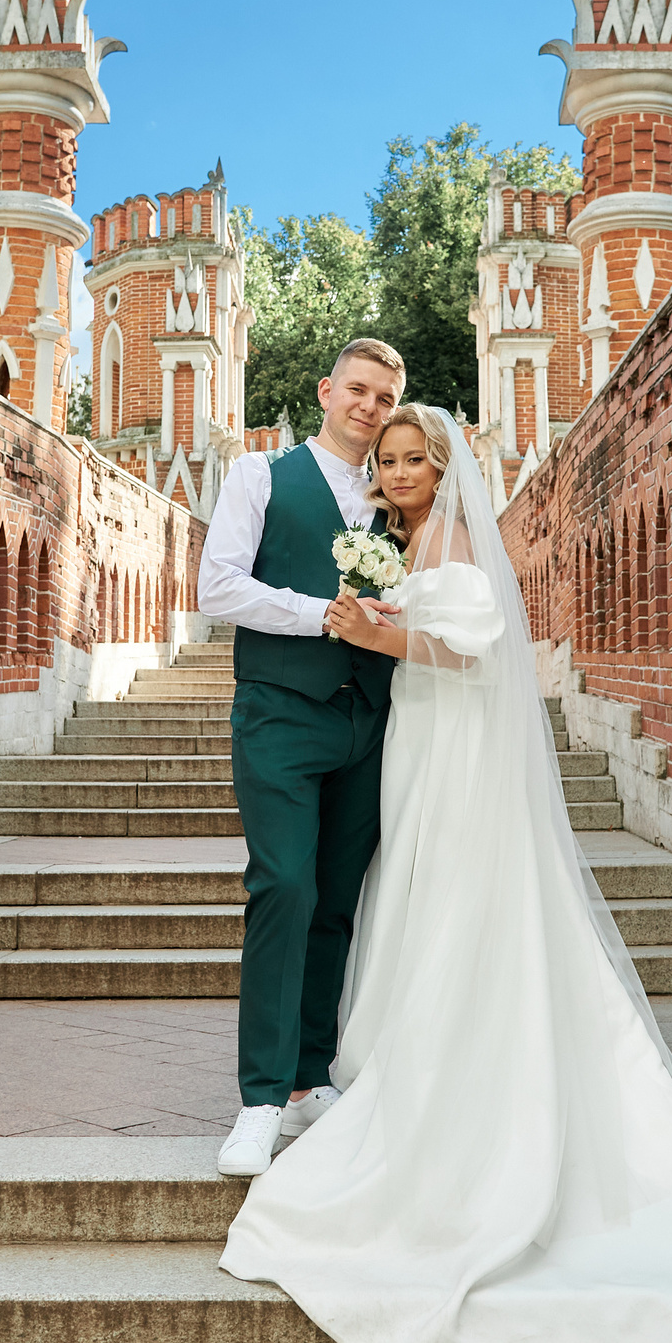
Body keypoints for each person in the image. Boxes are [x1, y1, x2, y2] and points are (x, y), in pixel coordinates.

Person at [218, 405, 672, 1343]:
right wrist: (340, 619)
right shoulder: (378, 539)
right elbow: (354, 615)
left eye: (418, 457)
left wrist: (370, 635)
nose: (404, 470)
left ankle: (471, 1072)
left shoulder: (458, 537)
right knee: (403, 900)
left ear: (446, 465)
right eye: (389, 459)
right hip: (403, 749)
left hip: (455, 747)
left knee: (459, 903)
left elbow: (467, 651)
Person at [195, 337, 406, 1178]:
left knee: (336, 901)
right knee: (284, 886)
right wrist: (321, 613)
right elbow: (218, 589)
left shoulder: (399, 489)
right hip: (281, 712)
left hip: (371, 718)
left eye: (385, 397)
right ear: (327, 390)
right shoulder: (261, 476)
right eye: (358, 389)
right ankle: (257, 1099)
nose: (369, 407)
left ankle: (310, 1080)